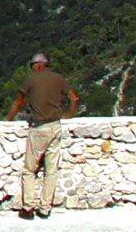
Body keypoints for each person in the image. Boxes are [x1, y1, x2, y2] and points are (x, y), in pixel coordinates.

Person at [10, 51, 82, 216]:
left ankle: (28, 208)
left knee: (29, 170)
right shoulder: (59, 78)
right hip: (55, 126)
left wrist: (9, 119)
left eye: (32, 66)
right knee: (51, 170)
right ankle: (45, 209)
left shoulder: (31, 79)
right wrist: (69, 115)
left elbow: (18, 102)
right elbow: (74, 98)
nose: (32, 69)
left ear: (38, 65)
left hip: (38, 128)